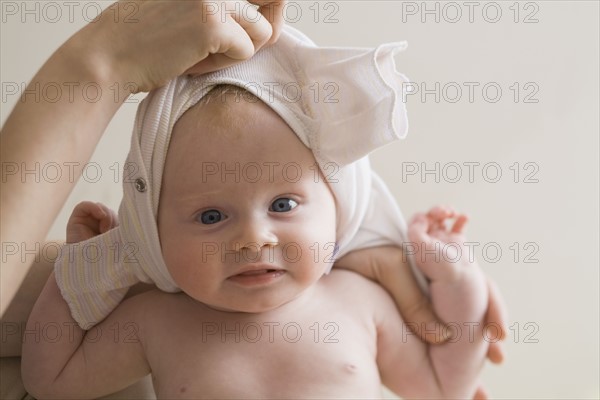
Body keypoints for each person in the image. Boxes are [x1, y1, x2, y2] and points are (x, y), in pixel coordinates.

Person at [1, 0, 506, 396]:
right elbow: (54, 379)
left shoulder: (358, 303)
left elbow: (444, 386)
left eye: (283, 205)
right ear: (151, 232)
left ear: (338, 204)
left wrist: (455, 278)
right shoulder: (155, 321)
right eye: (211, 215)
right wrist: (81, 269)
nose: (252, 237)